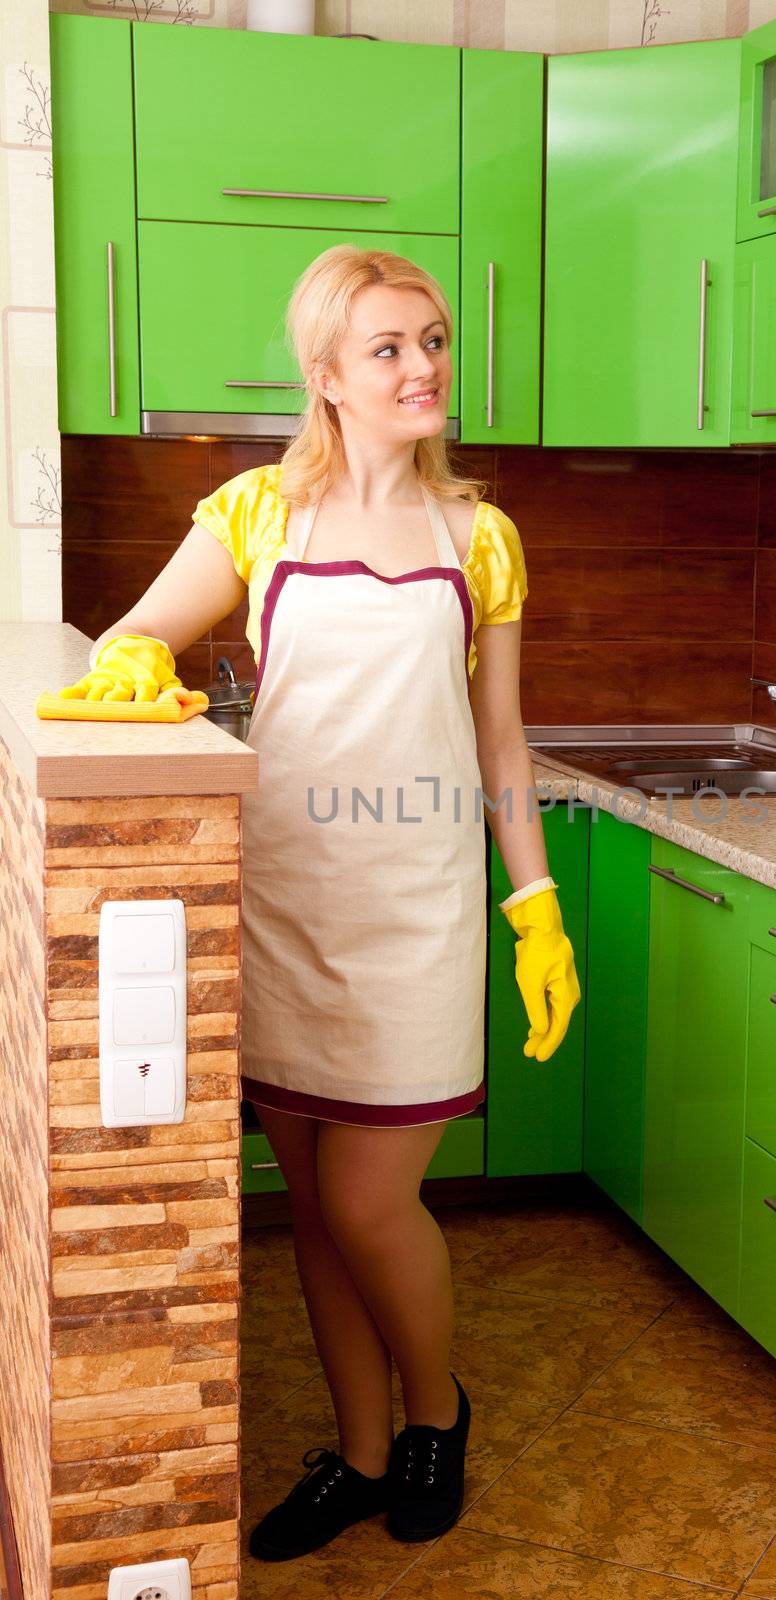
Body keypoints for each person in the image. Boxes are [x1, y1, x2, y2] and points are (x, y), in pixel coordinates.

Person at [64, 246, 582, 1563]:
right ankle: (358, 1455)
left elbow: (504, 746)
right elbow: (139, 631)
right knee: (312, 1205)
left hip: (416, 911)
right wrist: (130, 664)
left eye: (435, 340)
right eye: (389, 348)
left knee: (368, 1200)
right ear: (327, 378)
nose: (424, 369)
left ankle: (435, 1414)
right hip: (285, 907)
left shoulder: (481, 536)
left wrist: (536, 906)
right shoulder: (255, 515)